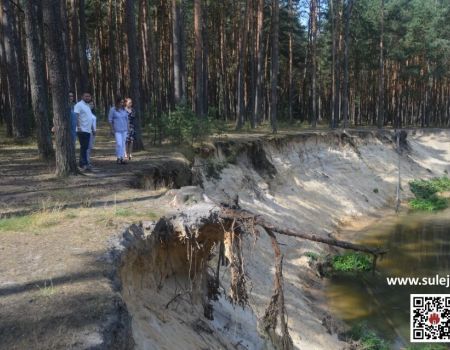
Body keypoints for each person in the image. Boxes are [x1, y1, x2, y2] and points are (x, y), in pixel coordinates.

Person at [74, 92, 94, 170]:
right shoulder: (79, 105)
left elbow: (89, 118)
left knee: (85, 147)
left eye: (89, 96)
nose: (87, 97)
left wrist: (92, 128)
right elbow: (77, 116)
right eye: (86, 96)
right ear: (82, 96)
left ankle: (82, 163)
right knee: (84, 147)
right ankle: (84, 164)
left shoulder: (87, 106)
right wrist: (79, 127)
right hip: (82, 129)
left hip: (88, 130)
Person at [108, 96, 129, 164]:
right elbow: (110, 120)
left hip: (124, 129)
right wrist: (111, 129)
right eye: (120, 102)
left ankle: (122, 158)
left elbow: (127, 119)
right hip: (117, 130)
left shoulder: (124, 110)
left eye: (123, 102)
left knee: (123, 144)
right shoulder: (112, 109)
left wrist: (128, 128)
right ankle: (118, 157)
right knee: (119, 144)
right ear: (117, 102)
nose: (122, 103)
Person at [86, 101, 97, 166]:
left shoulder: (92, 113)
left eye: (93, 104)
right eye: (90, 104)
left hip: (93, 132)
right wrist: (93, 129)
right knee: (88, 147)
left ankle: (88, 160)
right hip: (89, 131)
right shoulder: (87, 113)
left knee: (90, 147)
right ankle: (87, 161)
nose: (92, 105)